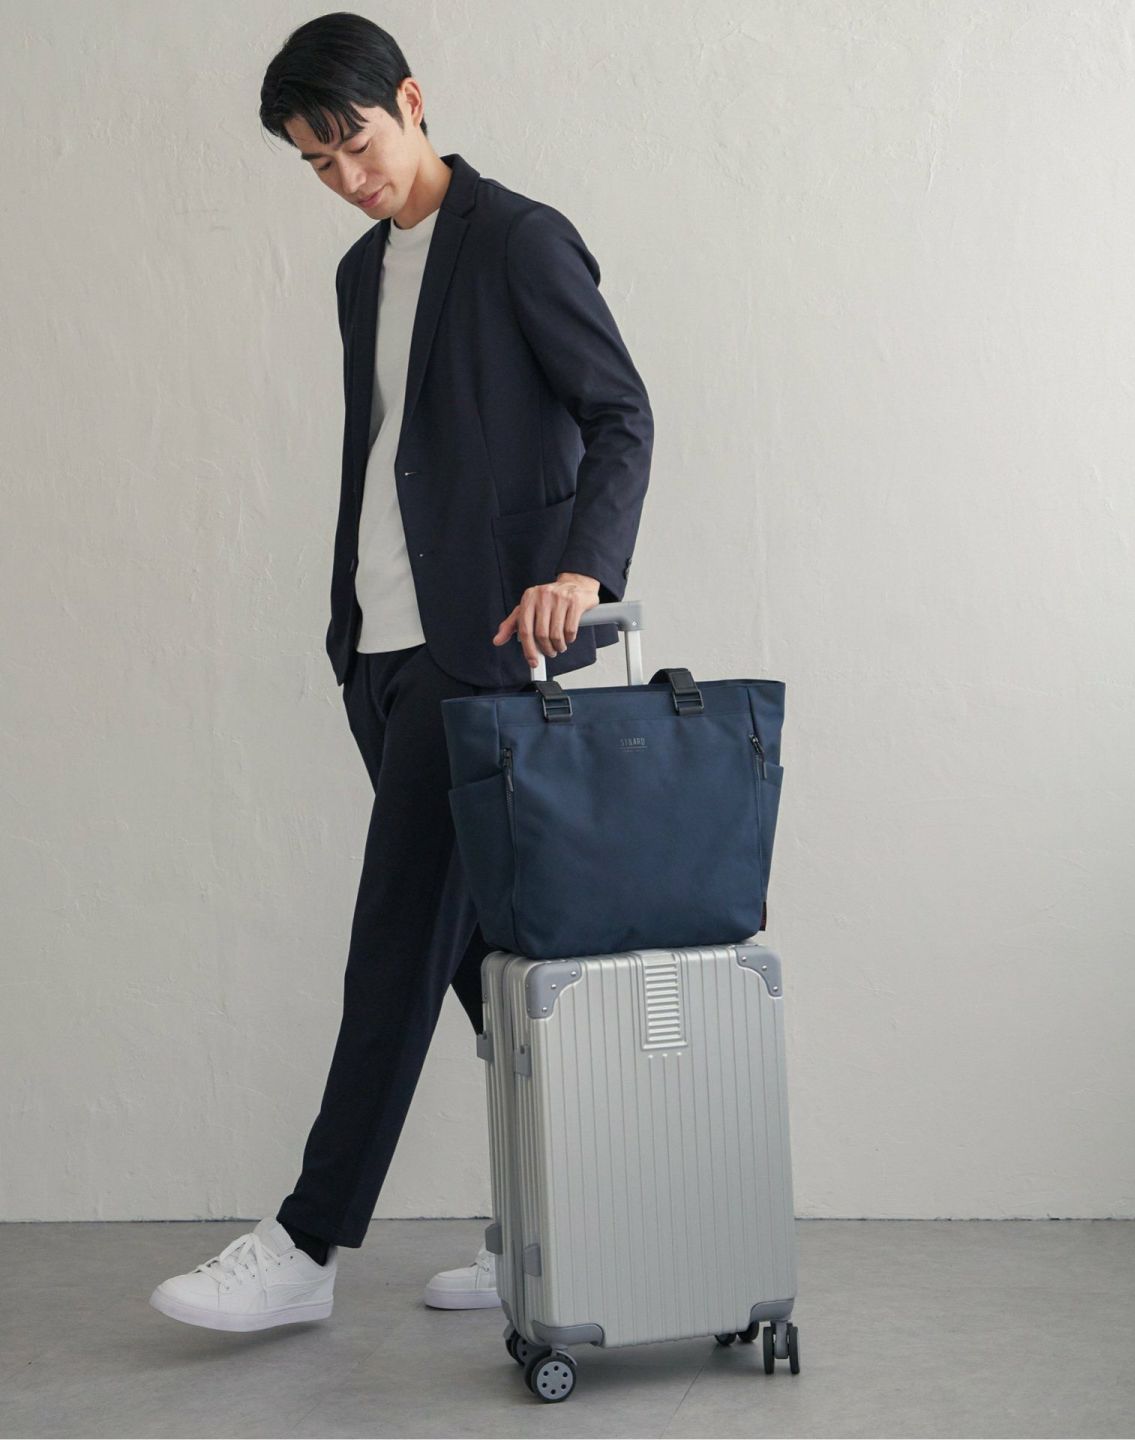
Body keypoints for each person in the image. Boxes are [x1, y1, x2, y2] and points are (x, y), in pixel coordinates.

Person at [149, 12, 653, 1331]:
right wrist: (351, 625)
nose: (346, 178)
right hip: (376, 647)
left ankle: (307, 1245)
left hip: (480, 647)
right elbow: (390, 455)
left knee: (394, 937)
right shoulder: (359, 272)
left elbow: (621, 413)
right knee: (485, 958)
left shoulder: (520, 240)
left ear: (412, 101)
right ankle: (563, 1224)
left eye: (355, 143)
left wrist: (581, 573)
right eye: (314, 163)